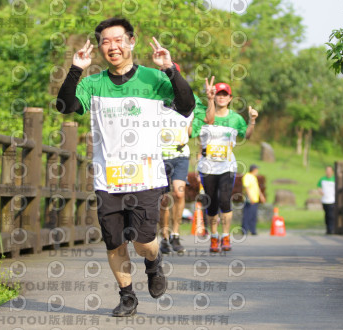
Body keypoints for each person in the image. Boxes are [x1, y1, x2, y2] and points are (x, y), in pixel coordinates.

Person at [56, 17, 195, 317]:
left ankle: (153, 264)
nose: (112, 46)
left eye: (118, 39)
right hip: (108, 179)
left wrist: (170, 70)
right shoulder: (94, 83)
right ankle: (127, 296)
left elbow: (186, 106)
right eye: (106, 41)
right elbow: (65, 106)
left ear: (131, 42)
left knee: (144, 242)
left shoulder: (152, 79)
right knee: (114, 242)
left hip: (145, 177)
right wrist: (76, 69)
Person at [192, 81, 258, 252]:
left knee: (224, 201)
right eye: (218, 94)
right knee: (212, 204)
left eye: (224, 94)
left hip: (227, 166)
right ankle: (214, 237)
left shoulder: (235, 118)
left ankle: (226, 236)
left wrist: (252, 121)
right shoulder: (204, 115)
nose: (221, 97)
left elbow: (247, 135)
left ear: (230, 98)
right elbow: (199, 140)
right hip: (207, 167)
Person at [158, 69, 211, 255]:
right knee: (163, 198)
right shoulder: (154, 95)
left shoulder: (189, 98)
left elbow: (208, 118)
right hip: (159, 155)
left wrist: (210, 99)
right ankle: (163, 236)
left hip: (180, 154)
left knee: (179, 193)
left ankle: (175, 234)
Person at [242, 164, 266, 235]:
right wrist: (250, 197)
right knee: (247, 215)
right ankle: (245, 230)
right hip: (250, 199)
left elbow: (257, 188)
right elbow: (246, 187)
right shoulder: (247, 176)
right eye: (257, 169)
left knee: (253, 215)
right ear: (254, 170)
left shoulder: (254, 177)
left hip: (255, 199)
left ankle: (253, 230)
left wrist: (261, 196)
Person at [317, 166, 336, 234]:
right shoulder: (322, 179)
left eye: (329, 171)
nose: (328, 172)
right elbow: (319, 187)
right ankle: (328, 229)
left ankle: (331, 229)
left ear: (332, 172)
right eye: (327, 171)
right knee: (327, 215)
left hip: (332, 200)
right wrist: (320, 191)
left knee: (331, 215)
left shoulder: (334, 179)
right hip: (325, 200)